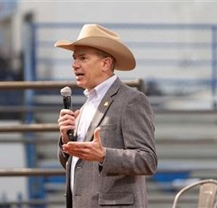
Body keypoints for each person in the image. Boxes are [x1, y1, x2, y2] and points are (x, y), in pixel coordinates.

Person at [55, 24, 158, 208]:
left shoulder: (131, 100)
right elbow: (77, 167)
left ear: (105, 63)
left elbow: (147, 160)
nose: (74, 64)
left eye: (83, 58)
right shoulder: (86, 106)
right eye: (74, 58)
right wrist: (65, 141)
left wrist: (104, 155)